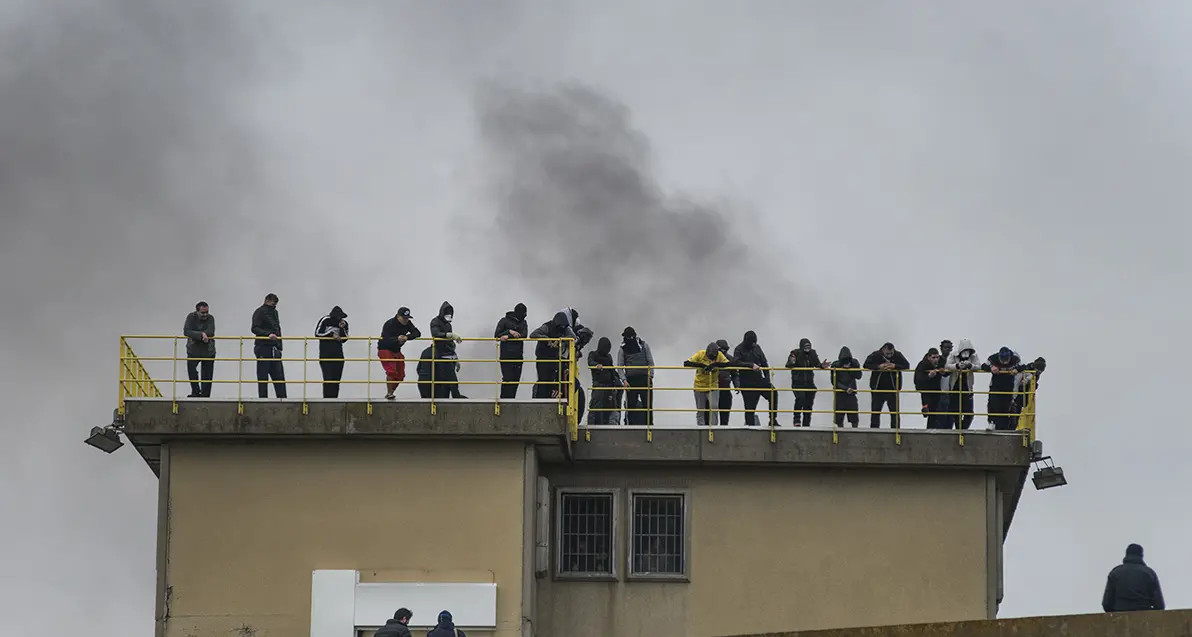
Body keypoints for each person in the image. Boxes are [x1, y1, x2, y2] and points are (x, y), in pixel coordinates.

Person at [683, 342, 741, 427]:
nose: (712, 358)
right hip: (699, 386)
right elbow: (686, 363)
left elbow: (727, 363)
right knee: (700, 410)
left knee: (714, 407)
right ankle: (701, 428)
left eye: (714, 357)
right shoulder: (700, 354)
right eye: (710, 357)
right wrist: (701, 365)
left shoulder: (719, 355)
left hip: (713, 386)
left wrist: (715, 364)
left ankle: (714, 427)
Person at [1102, 544, 1165, 613]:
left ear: (1126, 554)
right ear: (1141, 555)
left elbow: (1106, 603)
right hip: (1144, 616)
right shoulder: (1149, 573)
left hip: (1120, 616)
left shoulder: (1115, 572)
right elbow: (1159, 605)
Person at [733, 330, 778, 427]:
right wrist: (750, 365)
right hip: (746, 382)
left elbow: (764, 362)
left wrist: (767, 379)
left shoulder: (757, 348)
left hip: (759, 380)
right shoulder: (738, 349)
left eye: (755, 342)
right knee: (750, 408)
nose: (753, 344)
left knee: (773, 393)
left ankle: (773, 419)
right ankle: (750, 428)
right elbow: (736, 362)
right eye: (752, 342)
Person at [863, 342, 910, 428]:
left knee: (895, 413)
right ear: (883, 350)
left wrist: (894, 366)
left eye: (891, 353)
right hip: (878, 389)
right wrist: (878, 366)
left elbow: (907, 365)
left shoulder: (897, 355)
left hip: (893, 389)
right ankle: (874, 431)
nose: (889, 355)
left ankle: (896, 431)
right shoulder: (876, 355)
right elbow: (866, 365)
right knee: (875, 412)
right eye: (887, 354)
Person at [378, 307, 421, 400]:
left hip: (396, 350)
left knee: (400, 375)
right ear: (398, 316)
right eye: (404, 318)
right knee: (391, 371)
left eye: (407, 318)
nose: (406, 321)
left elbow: (417, 333)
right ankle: (389, 393)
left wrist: (406, 337)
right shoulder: (389, 324)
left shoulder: (408, 323)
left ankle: (391, 392)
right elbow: (385, 340)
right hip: (385, 349)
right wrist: (397, 339)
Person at [250, 293, 286, 398]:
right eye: (272, 304)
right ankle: (263, 399)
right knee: (263, 376)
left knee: (279, 376)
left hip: (275, 348)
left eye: (275, 305)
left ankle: (282, 399)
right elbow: (254, 328)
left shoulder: (275, 313)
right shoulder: (259, 312)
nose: (273, 307)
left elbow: (277, 328)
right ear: (266, 301)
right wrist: (267, 335)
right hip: (263, 347)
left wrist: (279, 346)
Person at [618, 327, 655, 426]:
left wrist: (650, 376)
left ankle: (650, 427)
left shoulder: (644, 345)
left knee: (648, 406)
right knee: (631, 407)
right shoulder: (622, 349)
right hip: (631, 381)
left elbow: (650, 362)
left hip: (644, 379)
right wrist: (624, 381)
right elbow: (620, 367)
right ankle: (630, 427)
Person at [981, 346, 1023, 430]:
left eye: (1006, 360)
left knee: (1005, 407)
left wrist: (1017, 369)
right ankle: (992, 423)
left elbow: (1023, 366)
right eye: (1002, 360)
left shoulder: (1015, 360)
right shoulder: (992, 358)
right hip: (996, 386)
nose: (1004, 362)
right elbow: (983, 366)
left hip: (1008, 387)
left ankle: (1003, 427)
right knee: (993, 404)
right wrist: (991, 368)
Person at [429, 302, 465, 399]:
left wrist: (456, 359)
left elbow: (450, 344)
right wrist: (450, 335)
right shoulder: (435, 321)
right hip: (442, 356)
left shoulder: (448, 325)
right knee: (452, 381)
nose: (449, 315)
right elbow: (436, 333)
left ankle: (445, 399)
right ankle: (456, 397)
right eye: (447, 313)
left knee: (446, 383)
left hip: (450, 356)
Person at [943, 339, 980, 429]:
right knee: (956, 412)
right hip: (955, 386)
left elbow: (979, 366)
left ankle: (963, 429)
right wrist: (957, 366)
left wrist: (970, 365)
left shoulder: (974, 356)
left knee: (969, 413)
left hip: (967, 387)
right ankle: (958, 430)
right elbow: (947, 366)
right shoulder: (953, 355)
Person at [494, 303, 529, 399]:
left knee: (516, 380)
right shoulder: (504, 321)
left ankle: (511, 400)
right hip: (506, 356)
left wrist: (508, 336)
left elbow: (524, 334)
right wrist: (509, 331)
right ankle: (504, 400)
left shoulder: (523, 323)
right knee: (507, 379)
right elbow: (496, 335)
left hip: (518, 356)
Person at [314, 306, 349, 398]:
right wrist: (331, 335)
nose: (339, 318)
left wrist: (341, 328)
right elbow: (317, 333)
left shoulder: (344, 323)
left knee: (336, 379)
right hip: (325, 353)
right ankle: (327, 399)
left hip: (338, 353)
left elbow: (345, 338)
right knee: (328, 378)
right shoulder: (325, 320)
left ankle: (335, 399)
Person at [182, 301, 216, 398]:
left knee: (207, 374)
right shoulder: (191, 317)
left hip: (208, 351)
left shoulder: (211, 318)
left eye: (206, 312)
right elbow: (186, 331)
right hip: (193, 350)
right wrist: (201, 335)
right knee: (191, 369)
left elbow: (211, 332)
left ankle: (205, 395)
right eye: (203, 313)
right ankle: (195, 392)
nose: (205, 315)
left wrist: (198, 335)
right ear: (197, 312)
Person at [786, 338, 821, 427]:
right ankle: (796, 420)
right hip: (798, 382)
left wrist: (822, 366)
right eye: (805, 346)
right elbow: (788, 365)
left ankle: (806, 424)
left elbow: (817, 363)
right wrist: (792, 361)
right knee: (800, 398)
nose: (807, 348)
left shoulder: (812, 353)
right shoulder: (795, 353)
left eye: (809, 346)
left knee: (808, 404)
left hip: (809, 383)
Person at [587, 337, 621, 425]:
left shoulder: (608, 357)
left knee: (609, 406)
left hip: (609, 385)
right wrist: (596, 365)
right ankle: (592, 424)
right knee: (596, 405)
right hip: (599, 384)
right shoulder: (593, 354)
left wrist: (617, 380)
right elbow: (590, 362)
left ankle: (606, 424)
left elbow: (612, 369)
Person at [913, 348, 949, 429]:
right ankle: (925, 408)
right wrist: (928, 376)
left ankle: (930, 429)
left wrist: (944, 372)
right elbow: (917, 379)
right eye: (933, 358)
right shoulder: (922, 364)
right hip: (925, 388)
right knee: (927, 403)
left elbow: (948, 371)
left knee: (934, 411)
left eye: (937, 357)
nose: (936, 359)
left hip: (936, 389)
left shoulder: (941, 361)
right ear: (928, 357)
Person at [828, 346, 863, 427]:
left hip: (851, 393)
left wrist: (851, 369)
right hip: (840, 393)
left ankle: (855, 431)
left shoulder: (854, 363)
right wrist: (845, 389)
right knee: (839, 416)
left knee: (854, 415)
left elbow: (859, 376)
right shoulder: (835, 365)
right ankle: (839, 432)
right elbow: (834, 381)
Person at [715, 338, 739, 426]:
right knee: (711, 417)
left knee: (724, 419)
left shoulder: (730, 360)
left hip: (725, 390)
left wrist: (737, 385)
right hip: (712, 390)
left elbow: (735, 374)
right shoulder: (711, 358)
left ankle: (723, 432)